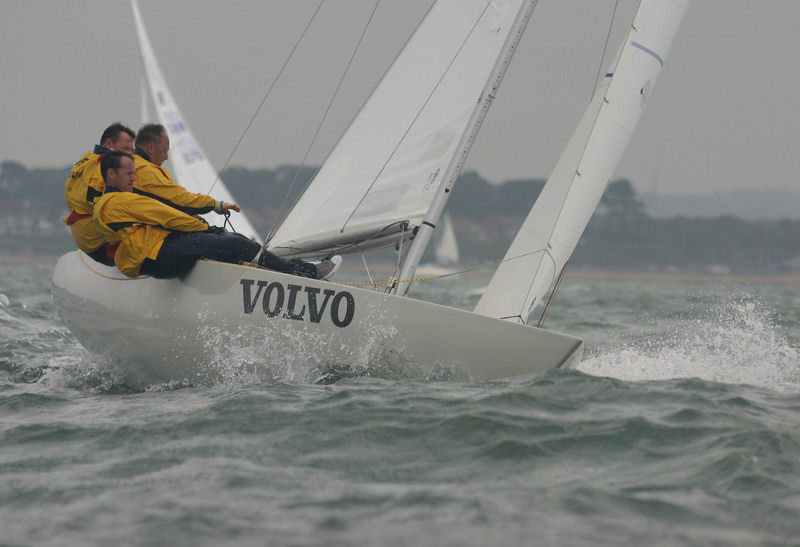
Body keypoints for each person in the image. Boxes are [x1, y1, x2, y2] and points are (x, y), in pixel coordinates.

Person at [93, 151, 340, 280]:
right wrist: (204, 227)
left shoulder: (105, 203)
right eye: (128, 174)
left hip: (153, 257)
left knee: (231, 244)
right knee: (234, 243)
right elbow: (166, 216)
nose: (134, 177)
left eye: (134, 172)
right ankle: (303, 272)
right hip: (161, 255)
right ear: (111, 175)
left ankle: (271, 270)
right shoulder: (118, 201)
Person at [63, 123, 136, 265]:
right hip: (101, 245)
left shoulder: (86, 159)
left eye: (132, 150)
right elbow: (103, 209)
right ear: (109, 144)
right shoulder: (104, 167)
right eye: (126, 149)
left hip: (84, 239)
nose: (131, 154)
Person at [132, 123, 236, 217]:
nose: (166, 157)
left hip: (160, 230)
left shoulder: (136, 165)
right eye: (164, 151)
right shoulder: (145, 171)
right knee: (235, 239)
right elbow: (179, 200)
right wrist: (214, 204)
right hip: (153, 235)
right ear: (150, 149)